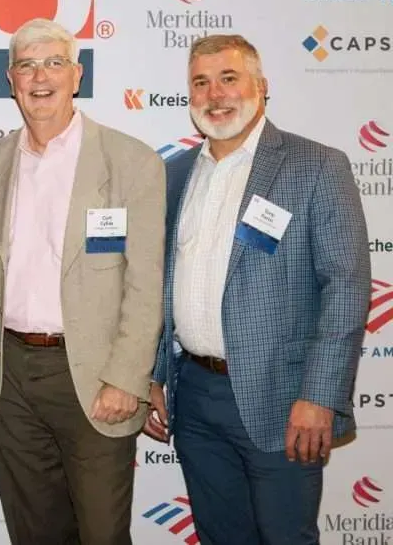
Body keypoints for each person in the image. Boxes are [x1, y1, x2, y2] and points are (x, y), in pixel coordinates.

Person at [144, 34, 371, 544]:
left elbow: (346, 285)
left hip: (283, 399)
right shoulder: (173, 174)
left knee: (285, 537)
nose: (214, 94)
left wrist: (319, 395)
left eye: (229, 78)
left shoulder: (317, 166)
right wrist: (154, 374)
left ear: (262, 87)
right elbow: (159, 286)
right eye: (200, 83)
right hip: (195, 395)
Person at [0, 18, 165, 544]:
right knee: (34, 533)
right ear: (11, 79)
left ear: (77, 75)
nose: (41, 76)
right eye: (27, 64)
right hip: (11, 375)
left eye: (54, 62)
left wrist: (127, 376)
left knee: (102, 534)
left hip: (93, 376)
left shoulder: (131, 161)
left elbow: (145, 281)